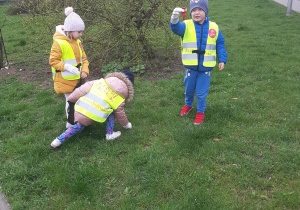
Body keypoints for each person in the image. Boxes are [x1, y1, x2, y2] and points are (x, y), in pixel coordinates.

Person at [170, 0, 227, 125]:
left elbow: (220, 44)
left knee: (201, 93)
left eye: (200, 10)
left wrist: (222, 59)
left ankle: (200, 112)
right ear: (190, 12)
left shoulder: (214, 27)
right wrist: (174, 18)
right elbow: (175, 28)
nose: (197, 13)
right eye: (194, 10)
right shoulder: (186, 25)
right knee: (189, 90)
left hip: (205, 69)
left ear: (205, 11)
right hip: (190, 68)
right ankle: (188, 105)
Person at [50, 70, 134, 148]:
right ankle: (110, 134)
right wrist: (126, 125)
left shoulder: (100, 82)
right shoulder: (120, 97)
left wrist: (71, 98)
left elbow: (82, 89)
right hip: (96, 113)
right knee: (112, 111)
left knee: (79, 125)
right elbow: (120, 114)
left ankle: (58, 140)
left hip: (83, 106)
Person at [49, 7, 89, 129]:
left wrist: (85, 71)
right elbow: (53, 61)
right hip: (65, 80)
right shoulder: (59, 43)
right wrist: (67, 67)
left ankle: (81, 119)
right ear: (70, 31)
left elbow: (84, 59)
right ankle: (71, 123)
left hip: (78, 79)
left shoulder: (77, 42)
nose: (81, 34)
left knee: (80, 99)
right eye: (79, 32)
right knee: (70, 101)